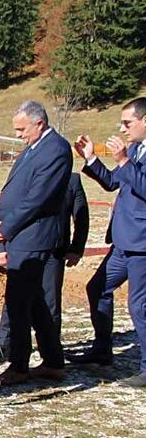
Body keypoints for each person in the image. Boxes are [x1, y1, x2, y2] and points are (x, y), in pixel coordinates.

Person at [0, 101, 72, 386]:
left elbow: (37, 198)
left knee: (19, 303)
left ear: (40, 123)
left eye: (22, 129)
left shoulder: (56, 150)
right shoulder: (33, 148)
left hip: (33, 236)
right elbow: (12, 191)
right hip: (19, 235)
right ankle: (53, 361)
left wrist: (7, 227)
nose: (19, 135)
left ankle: (19, 365)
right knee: (35, 303)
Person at [71, 97, 146, 387]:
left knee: (139, 306)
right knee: (97, 288)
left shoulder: (134, 154)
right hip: (123, 242)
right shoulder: (138, 149)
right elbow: (115, 181)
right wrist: (91, 158)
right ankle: (102, 349)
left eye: (128, 123)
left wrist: (125, 160)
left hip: (141, 245)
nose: (123, 129)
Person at [0, 172, 89, 359]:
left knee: (51, 302)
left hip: (55, 252)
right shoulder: (27, 175)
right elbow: (2, 211)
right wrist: (0, 248)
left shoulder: (73, 180)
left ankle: (50, 351)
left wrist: (76, 248)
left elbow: (81, 215)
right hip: (23, 249)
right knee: (15, 297)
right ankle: (5, 344)